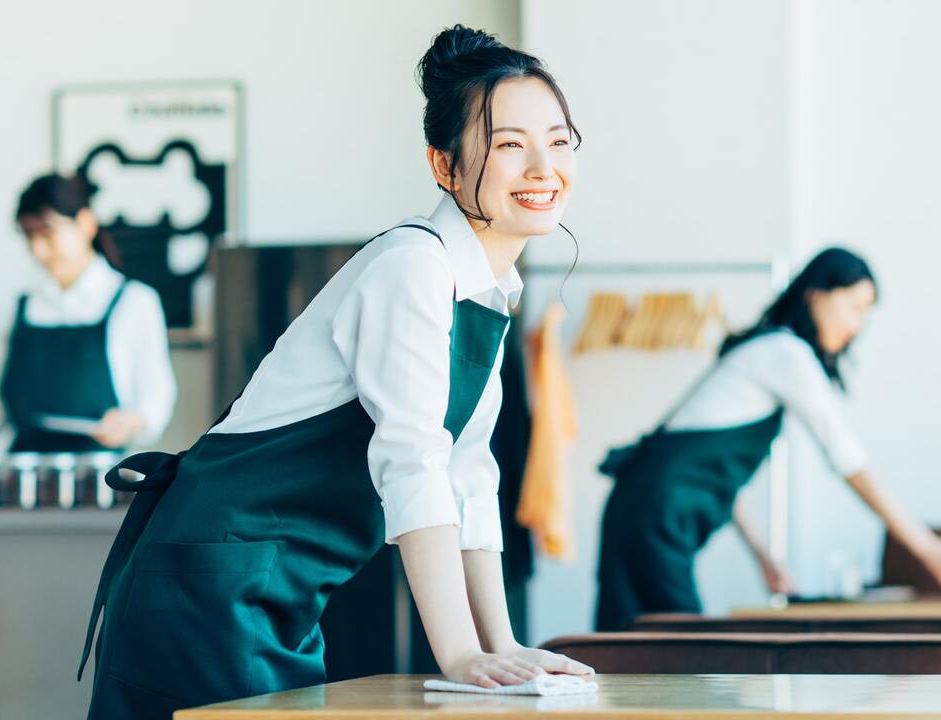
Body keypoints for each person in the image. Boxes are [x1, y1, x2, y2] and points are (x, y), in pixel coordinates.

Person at [79, 25, 593, 720]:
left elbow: (469, 476)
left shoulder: (489, 289)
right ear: (443, 166)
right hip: (210, 586)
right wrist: (461, 658)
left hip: (276, 591)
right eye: (509, 144)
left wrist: (501, 645)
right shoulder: (414, 268)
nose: (542, 166)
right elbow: (412, 462)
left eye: (558, 141)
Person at [594, 248, 941, 631]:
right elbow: (847, 458)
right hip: (651, 515)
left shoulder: (769, 350)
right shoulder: (785, 353)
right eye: (855, 307)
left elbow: (722, 480)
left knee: (651, 649)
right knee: (673, 654)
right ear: (817, 294)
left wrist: (762, 554)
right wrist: (927, 546)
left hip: (643, 509)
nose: (857, 326)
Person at [0, 173, 175, 508]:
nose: (38, 250)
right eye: (29, 236)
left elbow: (155, 401)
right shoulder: (18, 308)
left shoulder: (134, 302)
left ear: (86, 224)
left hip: (101, 486)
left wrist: (130, 422)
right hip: (21, 486)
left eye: (47, 234)